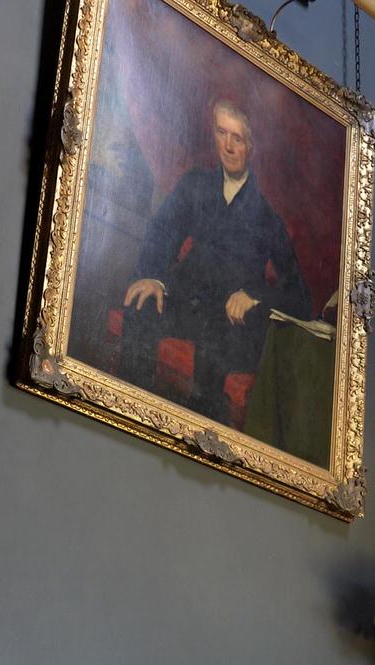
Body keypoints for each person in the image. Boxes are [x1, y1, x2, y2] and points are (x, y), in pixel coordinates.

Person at [120, 98, 311, 423]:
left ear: (251, 147)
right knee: (140, 306)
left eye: (238, 138)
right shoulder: (196, 184)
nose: (228, 146)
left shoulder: (266, 217)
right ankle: (129, 417)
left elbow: (300, 297)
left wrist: (255, 296)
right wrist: (153, 276)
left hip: (228, 321)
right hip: (185, 300)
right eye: (222, 133)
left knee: (212, 351)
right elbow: (163, 230)